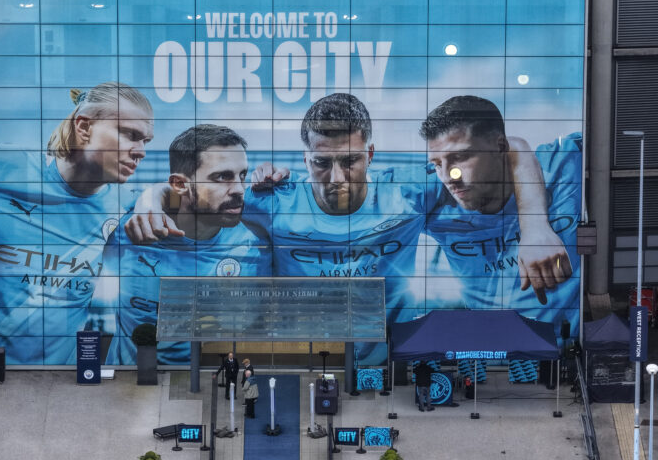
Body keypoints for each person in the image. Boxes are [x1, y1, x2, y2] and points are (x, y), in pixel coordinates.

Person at [124, 94, 560, 365]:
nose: (335, 178)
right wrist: (149, 198)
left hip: (386, 364)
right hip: (298, 360)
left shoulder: (407, 192)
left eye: (349, 161)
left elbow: (515, 149)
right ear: (305, 159)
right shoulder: (273, 200)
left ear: (370, 154)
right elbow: (194, 190)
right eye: (321, 163)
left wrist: (537, 229)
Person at [0, 82, 154, 365]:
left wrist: (156, 196)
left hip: (61, 379)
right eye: (130, 135)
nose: (141, 151)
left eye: (145, 141)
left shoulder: (129, 208)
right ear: (84, 127)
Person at [103, 124, 272, 364]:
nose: (238, 189)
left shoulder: (256, 244)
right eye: (222, 177)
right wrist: (150, 197)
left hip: (207, 379)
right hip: (128, 379)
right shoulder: (127, 227)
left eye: (242, 175)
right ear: (180, 184)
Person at [421, 96, 581, 343]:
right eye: (436, 164)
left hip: (568, 350)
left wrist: (536, 226)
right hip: (490, 351)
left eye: (460, 157)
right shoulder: (432, 201)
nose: (449, 176)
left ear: (499, 146)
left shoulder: (561, 165)